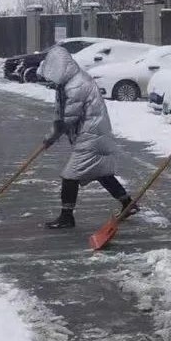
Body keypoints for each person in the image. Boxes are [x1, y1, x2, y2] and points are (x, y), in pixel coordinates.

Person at [37, 45, 137, 229]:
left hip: (92, 135)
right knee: (100, 172)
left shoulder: (78, 84)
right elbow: (60, 115)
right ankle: (127, 203)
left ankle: (67, 217)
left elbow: (68, 118)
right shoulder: (66, 84)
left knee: (70, 175)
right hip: (91, 133)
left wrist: (52, 137)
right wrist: (50, 136)